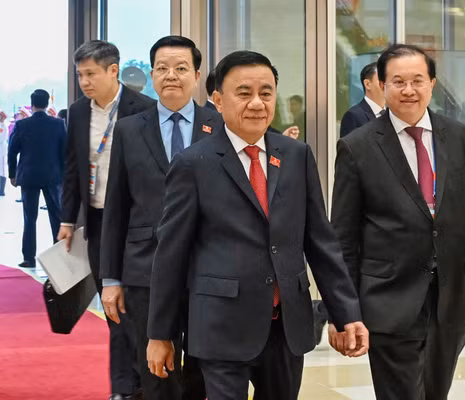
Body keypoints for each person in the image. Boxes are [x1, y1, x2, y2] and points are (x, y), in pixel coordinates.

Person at [146, 50, 368, 400]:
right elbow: (170, 255)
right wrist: (161, 334)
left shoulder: (296, 155)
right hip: (221, 325)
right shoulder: (194, 164)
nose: (257, 103)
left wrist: (346, 313)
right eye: (244, 93)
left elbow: (321, 243)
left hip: (287, 326)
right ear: (218, 100)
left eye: (266, 93)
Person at [330, 44, 465, 400]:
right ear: (381, 85)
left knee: (435, 391)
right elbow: (343, 236)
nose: (408, 90)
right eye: (398, 81)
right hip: (388, 299)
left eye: (417, 80)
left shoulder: (463, 139)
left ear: (432, 83)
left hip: (450, 299)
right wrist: (341, 310)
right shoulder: (357, 147)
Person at [100, 35, 220, 400]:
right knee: (154, 369)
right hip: (144, 268)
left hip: (207, 268)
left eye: (181, 68)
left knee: (203, 368)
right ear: (152, 75)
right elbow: (116, 206)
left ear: (196, 76)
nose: (171, 75)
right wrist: (111, 278)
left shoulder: (218, 125)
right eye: (162, 68)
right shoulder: (129, 129)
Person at [57, 40, 155, 400]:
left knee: (137, 307)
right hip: (98, 222)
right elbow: (72, 169)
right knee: (111, 304)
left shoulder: (143, 109)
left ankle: (144, 380)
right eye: (80, 75)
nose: (85, 82)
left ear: (113, 71)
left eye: (91, 74)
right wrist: (68, 220)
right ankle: (123, 387)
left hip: (136, 224)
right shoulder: (78, 112)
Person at [7, 90, 66, 268]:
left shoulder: (22, 125)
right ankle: (59, 257)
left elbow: (12, 151)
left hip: (29, 177)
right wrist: (64, 175)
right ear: (47, 104)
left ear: (32, 105)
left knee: (29, 218)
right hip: (52, 176)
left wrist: (12, 174)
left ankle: (29, 258)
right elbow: (65, 151)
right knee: (56, 217)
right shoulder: (58, 124)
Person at [339, 62, 386, 137]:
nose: (386, 84)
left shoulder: (393, 114)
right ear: (367, 84)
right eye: (382, 81)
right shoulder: (353, 116)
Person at [0, 110, 8, 196]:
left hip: (1, 150)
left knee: (2, 170)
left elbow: (1, 138)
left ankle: (1, 190)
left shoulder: (2, 126)